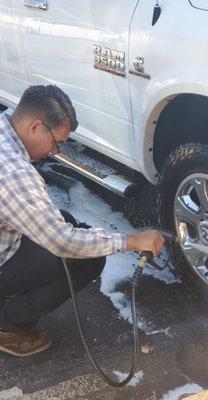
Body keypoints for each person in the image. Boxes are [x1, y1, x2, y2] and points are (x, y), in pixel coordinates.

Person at [0, 85, 164, 357]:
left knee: (63, 220)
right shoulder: (14, 174)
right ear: (36, 126)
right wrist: (132, 241)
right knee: (86, 258)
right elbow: (62, 241)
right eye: (57, 142)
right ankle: (7, 327)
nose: (55, 151)